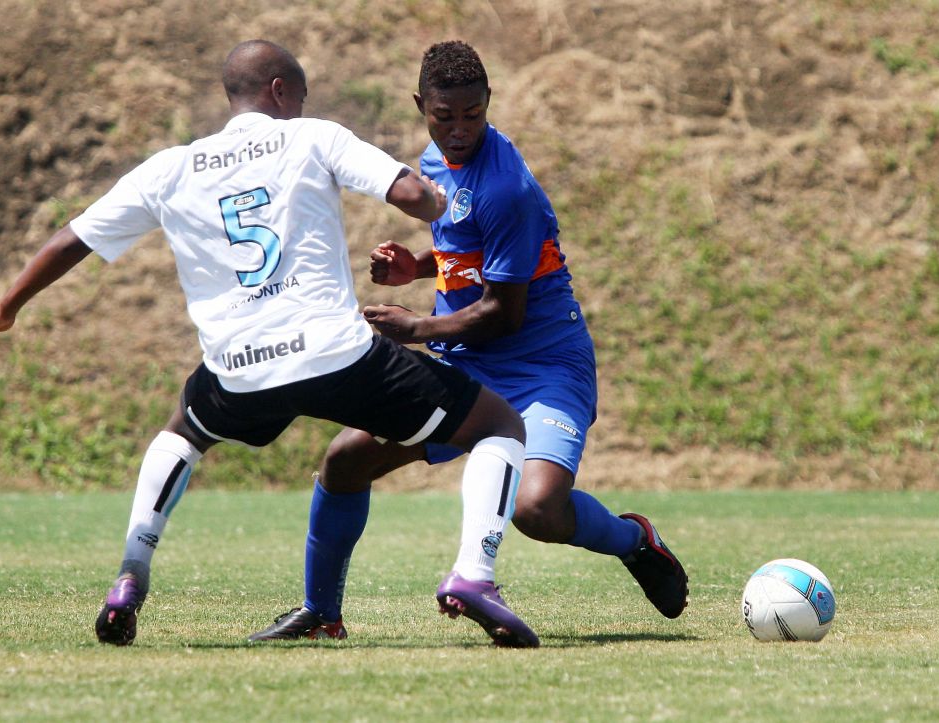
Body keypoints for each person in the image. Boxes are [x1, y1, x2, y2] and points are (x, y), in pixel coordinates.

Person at [0, 39, 540, 649]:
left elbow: (71, 239)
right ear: (282, 91)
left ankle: (132, 571)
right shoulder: (314, 135)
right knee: (497, 425)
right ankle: (474, 573)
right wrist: (443, 199)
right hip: (336, 353)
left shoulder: (170, 167)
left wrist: (6, 307)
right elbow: (415, 198)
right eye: (301, 96)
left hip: (238, 367)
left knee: (185, 428)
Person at [264, 40, 688, 641]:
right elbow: (465, 252)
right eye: (444, 117)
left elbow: (502, 312)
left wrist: (417, 328)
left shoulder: (506, 187)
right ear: (421, 106)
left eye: (472, 115)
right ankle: (319, 613)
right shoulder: (433, 165)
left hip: (541, 362)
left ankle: (634, 541)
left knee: (537, 511)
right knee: (346, 460)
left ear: (488, 103)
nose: (458, 130)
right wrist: (417, 267)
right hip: (467, 360)